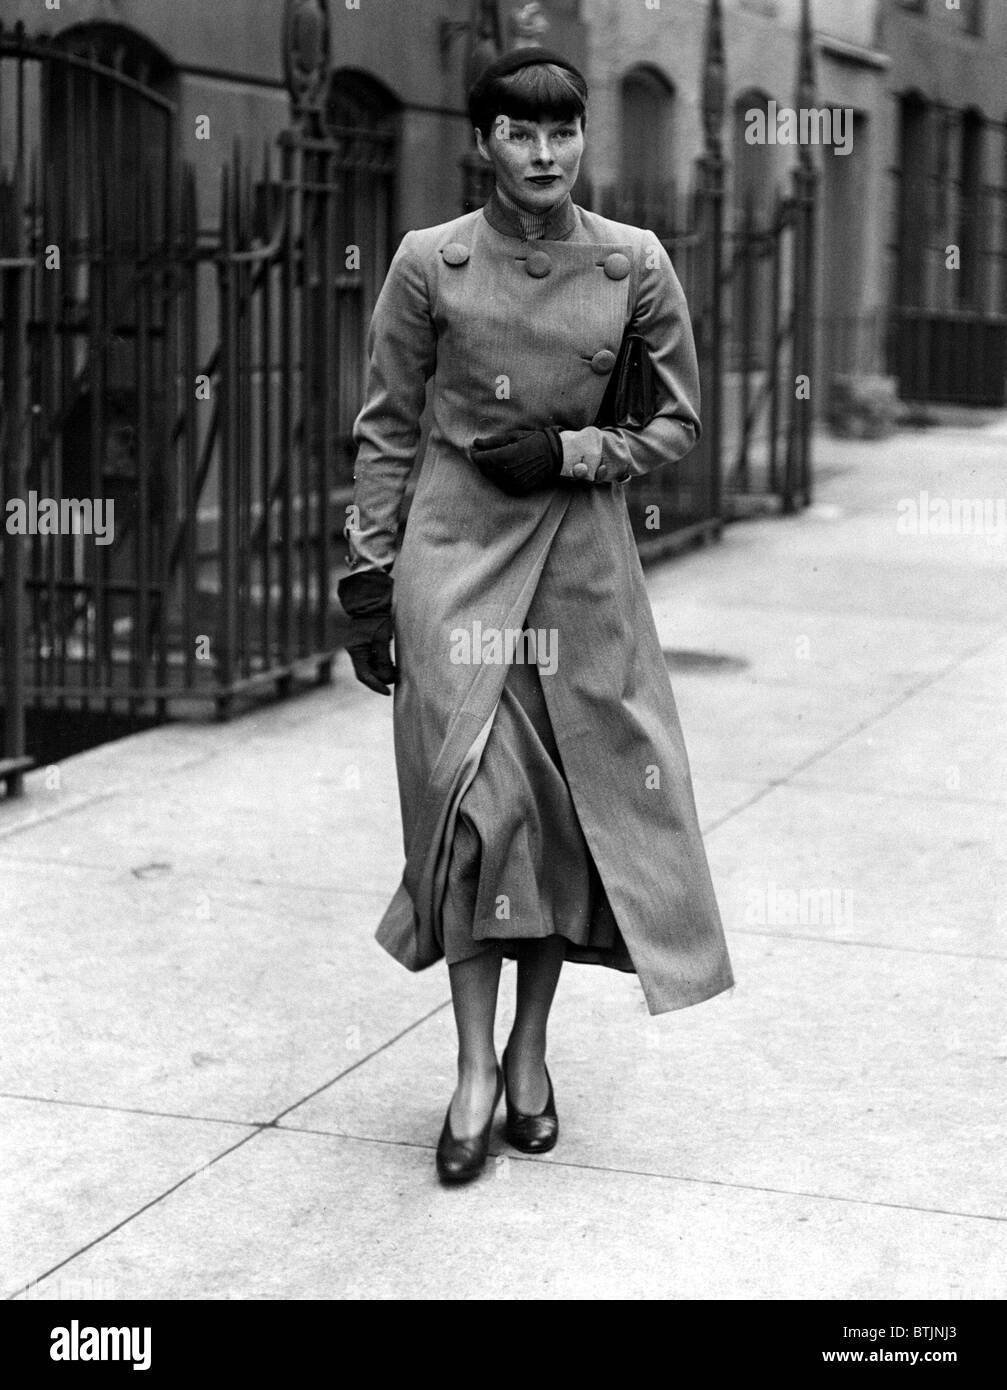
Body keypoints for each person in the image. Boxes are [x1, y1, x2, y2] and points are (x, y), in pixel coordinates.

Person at [338, 47, 734, 1186]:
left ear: (580, 144)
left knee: (559, 827)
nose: (544, 153)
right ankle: (469, 1070)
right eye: (520, 133)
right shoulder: (427, 265)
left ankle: (527, 1056)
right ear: (484, 143)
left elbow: (675, 426)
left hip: (578, 567)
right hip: (454, 558)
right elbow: (386, 429)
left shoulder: (632, 263)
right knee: (472, 816)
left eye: (562, 134)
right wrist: (370, 579)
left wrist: (567, 449)